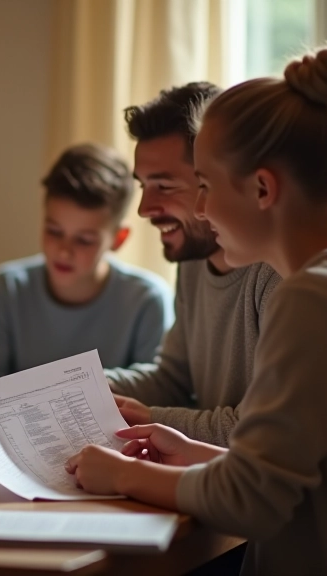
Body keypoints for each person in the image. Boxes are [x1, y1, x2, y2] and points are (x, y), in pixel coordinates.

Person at [67, 47, 327, 575]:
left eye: (203, 186)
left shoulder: (313, 300)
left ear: (262, 189)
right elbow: (306, 481)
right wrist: (193, 451)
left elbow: (250, 501)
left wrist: (119, 475)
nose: (201, 210)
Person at [105, 83, 281, 447]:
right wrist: (81, 389)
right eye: (143, 186)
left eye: (165, 186)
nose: (144, 209)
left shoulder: (282, 273)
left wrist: (152, 419)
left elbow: (268, 431)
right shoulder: (194, 261)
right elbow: (174, 379)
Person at [0, 143, 173, 378]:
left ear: (118, 239)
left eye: (84, 240)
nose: (64, 252)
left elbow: (153, 393)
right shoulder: (8, 288)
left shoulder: (147, 300)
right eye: (54, 231)